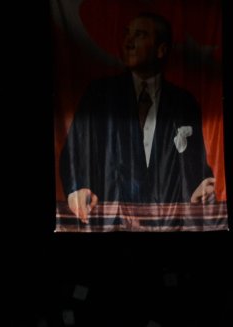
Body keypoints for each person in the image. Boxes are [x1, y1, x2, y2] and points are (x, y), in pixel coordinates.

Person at [58, 12, 217, 226]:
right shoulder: (99, 95)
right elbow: (74, 151)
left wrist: (202, 184)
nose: (128, 42)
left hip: (167, 224)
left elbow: (194, 162)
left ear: (161, 49)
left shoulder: (184, 102)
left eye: (140, 35)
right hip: (111, 223)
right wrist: (76, 188)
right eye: (126, 34)